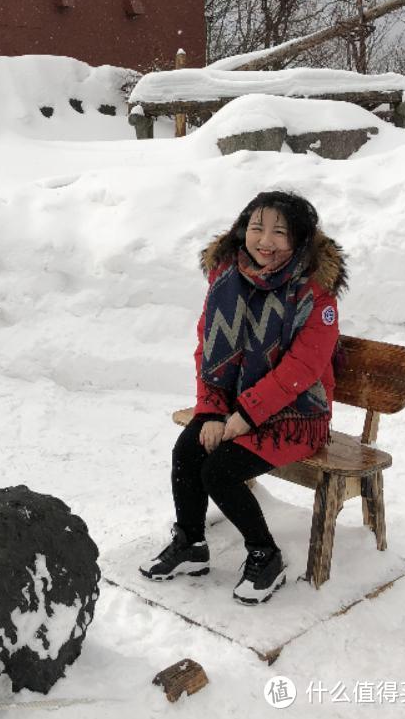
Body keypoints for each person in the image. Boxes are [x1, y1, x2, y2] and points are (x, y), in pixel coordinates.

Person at [141, 191, 347, 604]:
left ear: (299, 240)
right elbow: (209, 349)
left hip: (297, 415)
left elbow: (303, 369)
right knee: (188, 450)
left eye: (279, 232)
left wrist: (245, 415)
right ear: (243, 229)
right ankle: (192, 546)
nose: (264, 241)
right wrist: (213, 409)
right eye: (257, 228)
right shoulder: (227, 279)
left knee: (219, 470)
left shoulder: (314, 294)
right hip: (234, 403)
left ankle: (265, 555)